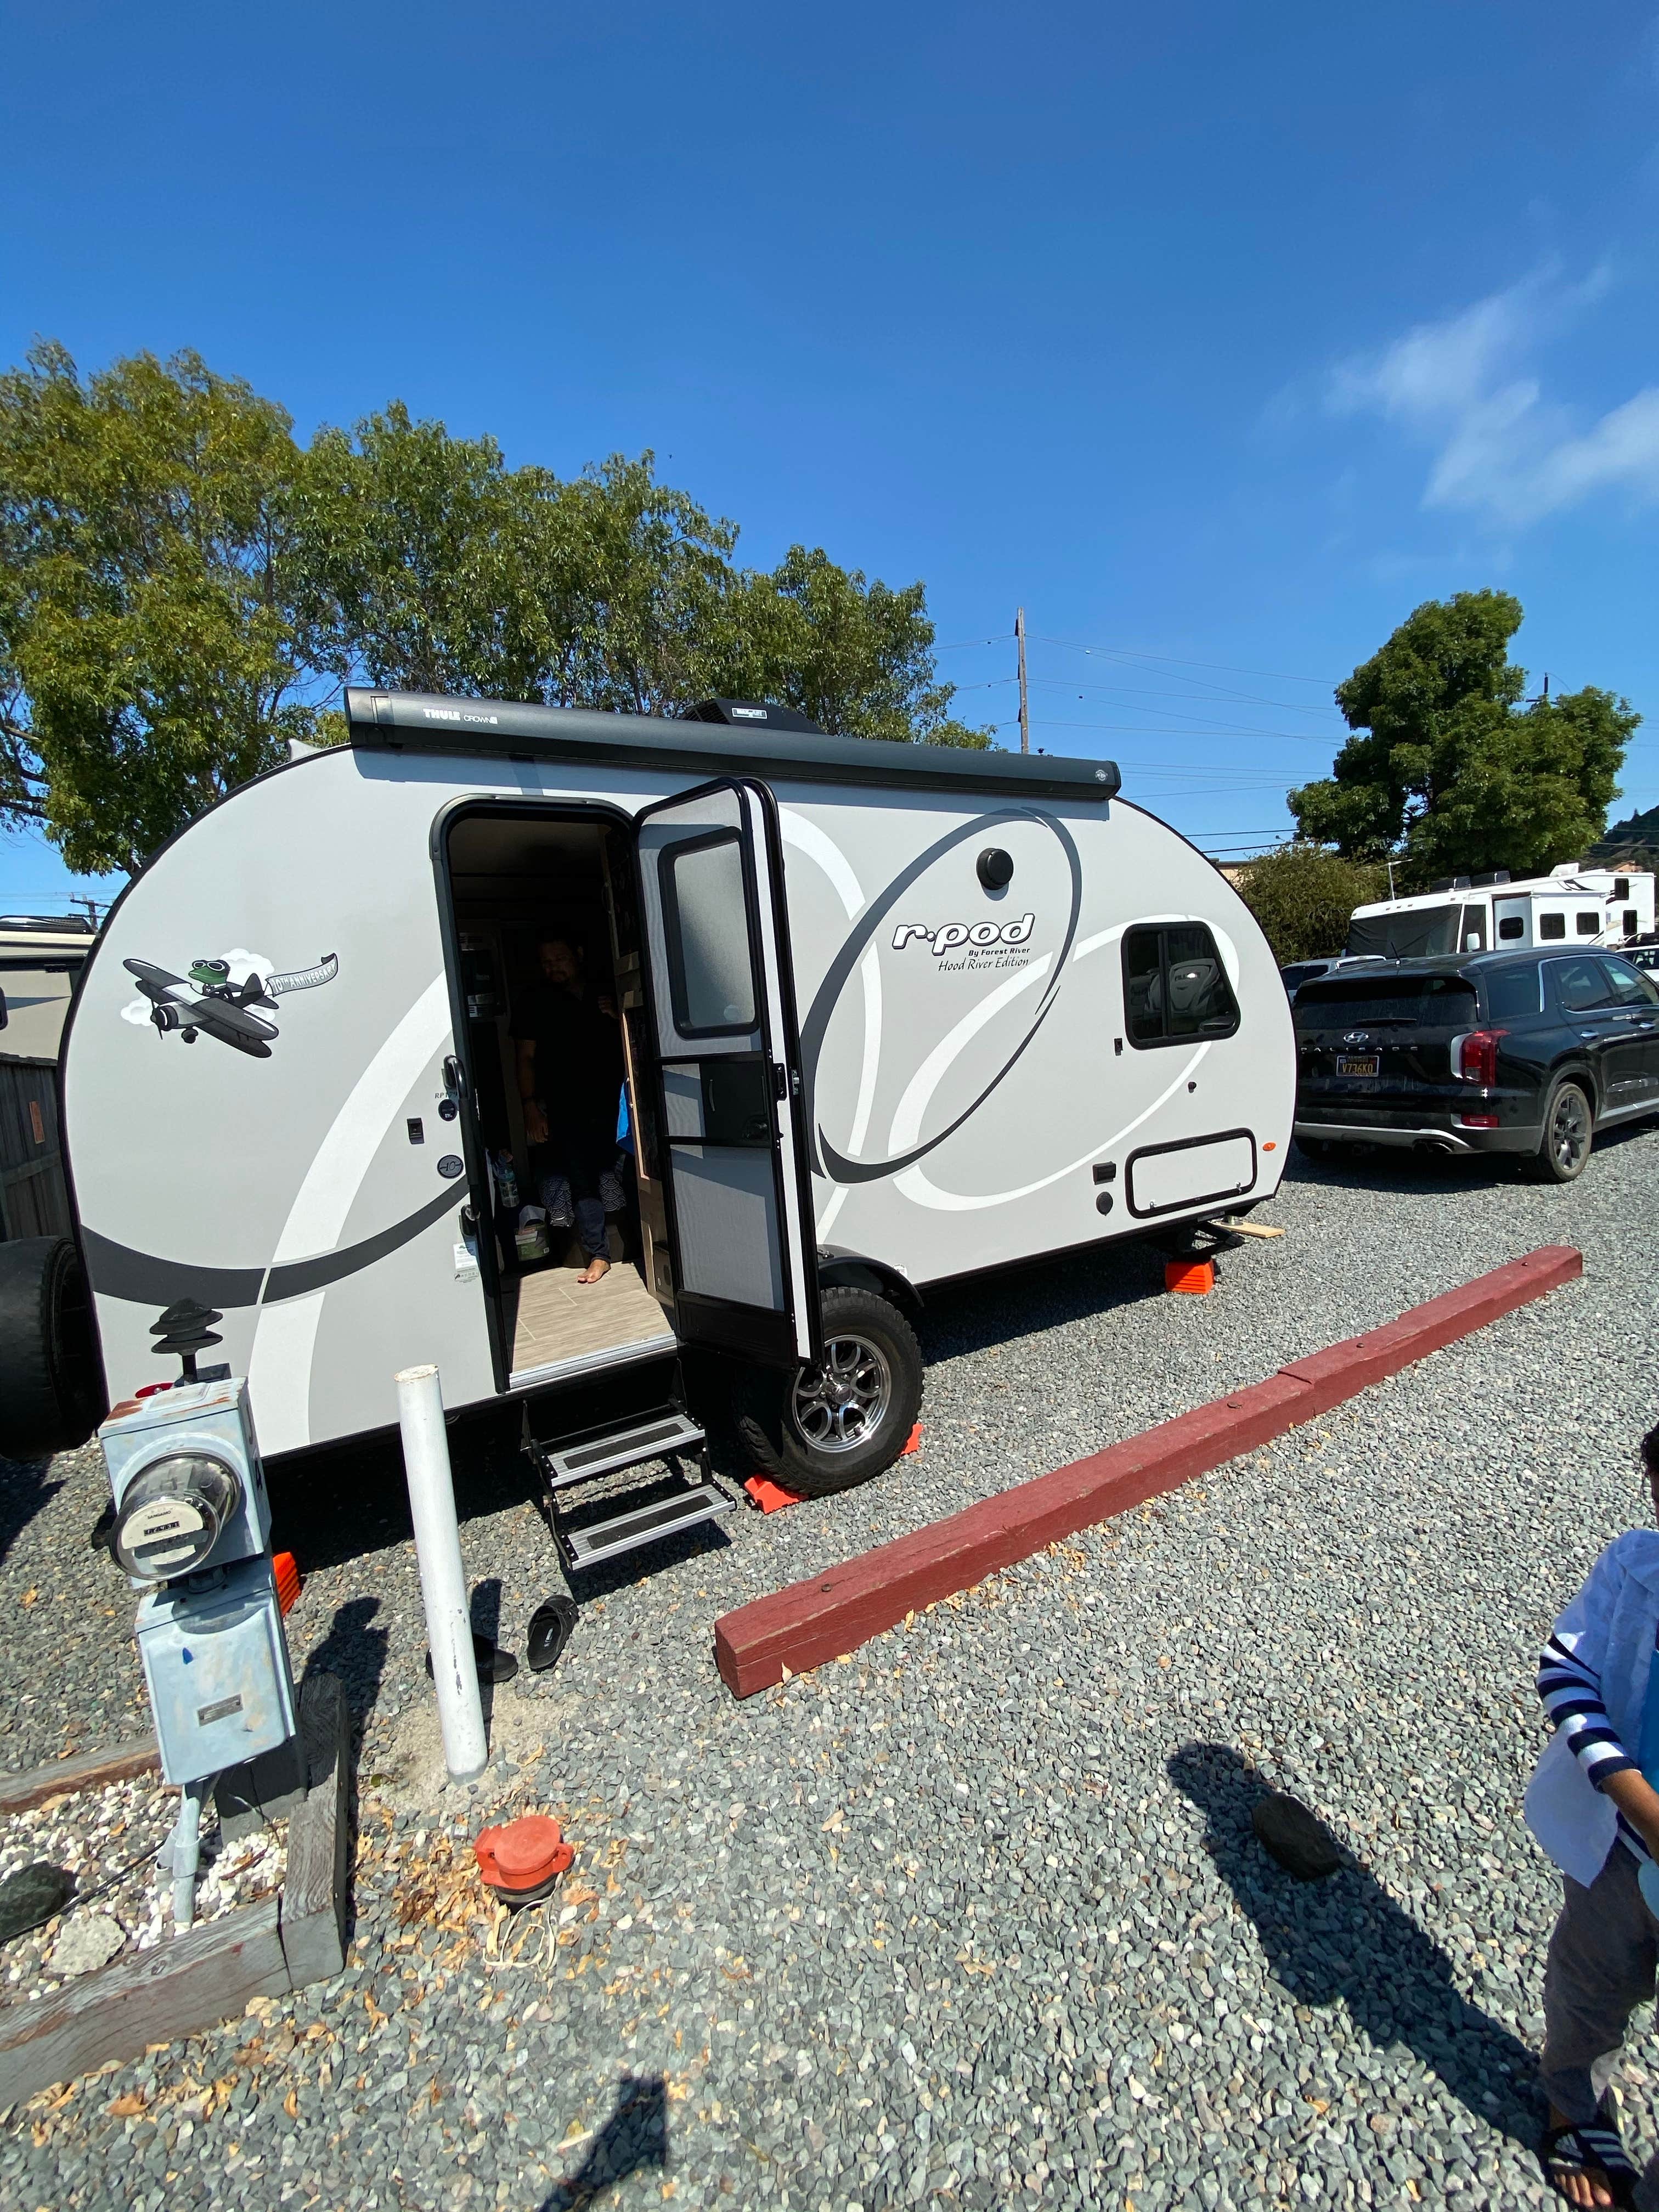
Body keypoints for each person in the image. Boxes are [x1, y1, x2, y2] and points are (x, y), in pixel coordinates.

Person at [1528, 1419, 1659, 2207]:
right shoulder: (1638, 1565)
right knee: (1589, 1986)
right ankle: (1572, 2104)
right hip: (1625, 1847)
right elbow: (1565, 1669)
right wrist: (1638, 1802)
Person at [511, 936, 624, 1286]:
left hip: (618, 1101)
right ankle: (599, 1255)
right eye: (546, 962)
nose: (553, 968)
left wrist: (618, 1016)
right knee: (581, 1180)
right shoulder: (534, 1001)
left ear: (579, 954)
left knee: (631, 1170)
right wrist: (530, 1106)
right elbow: (525, 1057)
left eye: (559, 959)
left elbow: (639, 1034)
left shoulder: (607, 991)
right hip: (566, 1106)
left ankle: (641, 1244)